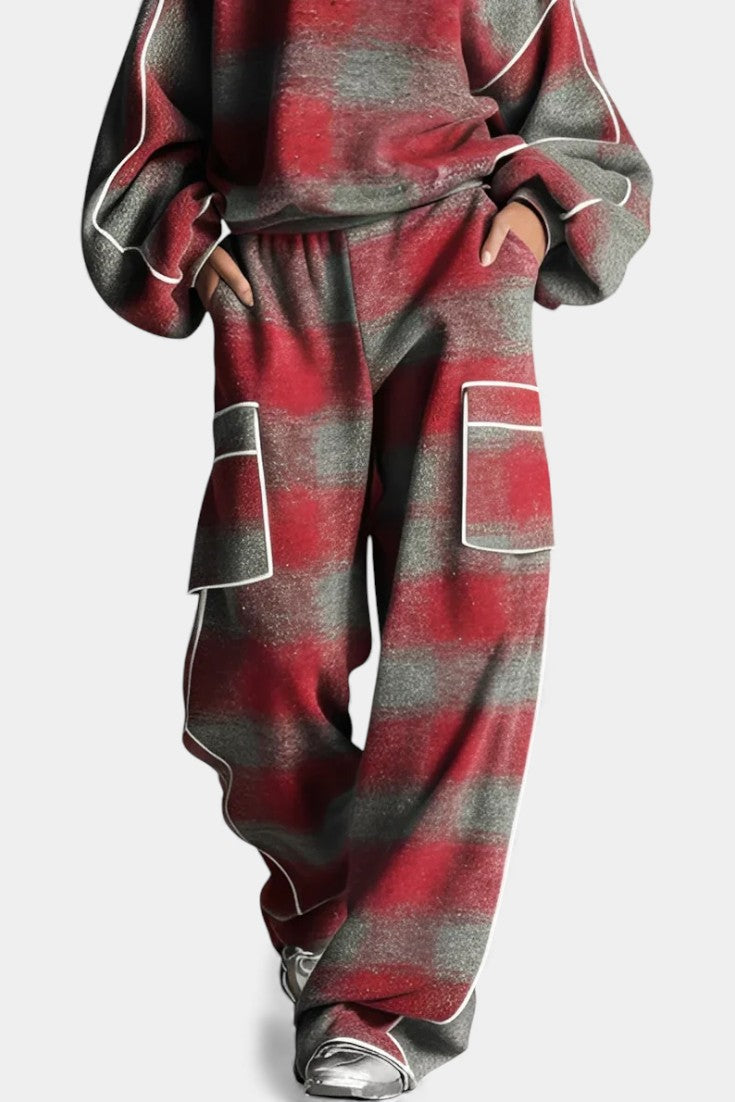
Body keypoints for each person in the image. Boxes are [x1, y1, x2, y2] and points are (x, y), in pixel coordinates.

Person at [81, 1, 652, 1096]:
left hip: (454, 265)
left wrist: (538, 219)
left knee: (467, 631)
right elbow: (141, 145)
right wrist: (187, 247)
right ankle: (333, 911)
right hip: (277, 277)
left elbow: (585, 130)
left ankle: (382, 1003)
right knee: (261, 652)